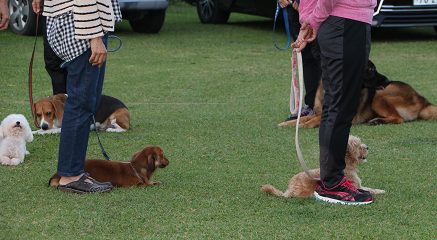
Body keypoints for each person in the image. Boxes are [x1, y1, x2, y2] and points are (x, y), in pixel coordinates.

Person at [32, 0, 122, 193]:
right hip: (81, 28)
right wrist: (95, 37)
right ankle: (71, 175)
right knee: (81, 104)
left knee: (83, 103)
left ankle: (72, 173)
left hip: (70, 22)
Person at [292, 0, 376, 205]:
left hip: (345, 23)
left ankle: (333, 180)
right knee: (340, 107)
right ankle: (332, 184)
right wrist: (313, 19)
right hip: (343, 24)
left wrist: (312, 20)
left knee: (338, 106)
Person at [279, 0, 321, 121]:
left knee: (319, 56)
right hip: (292, 7)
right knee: (305, 55)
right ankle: (311, 105)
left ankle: (326, 106)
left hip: (316, 7)